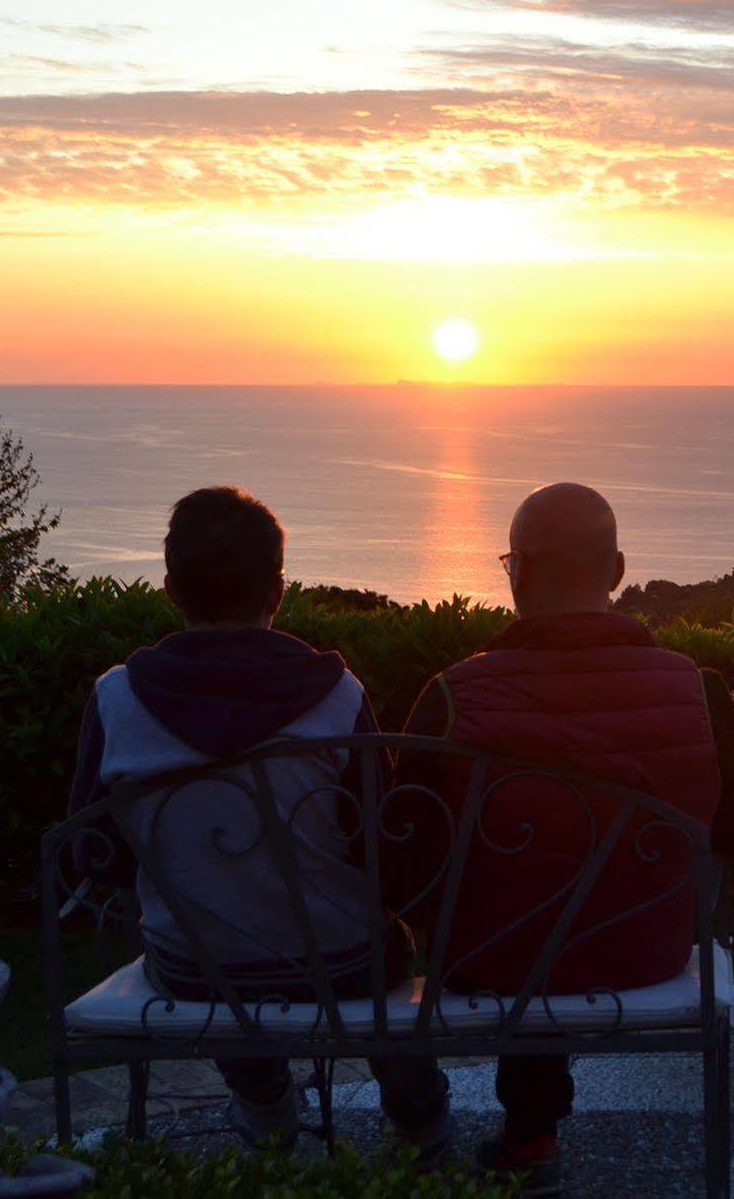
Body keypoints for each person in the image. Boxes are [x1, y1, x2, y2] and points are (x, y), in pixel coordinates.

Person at [402, 482, 734, 1194]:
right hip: (648, 956)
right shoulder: (701, 691)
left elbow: (407, 864)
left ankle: (526, 1137)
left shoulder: (453, 694)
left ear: (516, 573)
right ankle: (529, 1136)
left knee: (528, 919)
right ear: (616, 572)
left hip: (493, 962)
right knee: (557, 915)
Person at [66, 486, 450, 1155]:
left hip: (195, 968)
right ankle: (417, 1118)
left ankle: (267, 1109)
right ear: (277, 590)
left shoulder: (116, 699)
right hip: (343, 964)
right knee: (383, 949)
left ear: (170, 590)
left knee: (219, 947)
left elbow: (94, 855)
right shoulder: (338, 692)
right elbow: (380, 846)